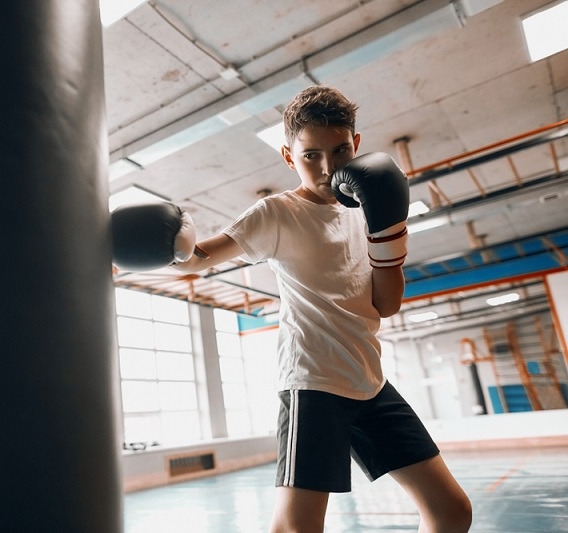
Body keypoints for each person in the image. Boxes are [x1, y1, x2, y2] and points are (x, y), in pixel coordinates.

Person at [111, 85, 472, 533]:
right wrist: (176, 244)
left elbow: (387, 303)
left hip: (370, 382)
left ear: (356, 144)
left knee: (451, 512)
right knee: (296, 529)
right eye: (310, 156)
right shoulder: (277, 213)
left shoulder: (368, 209)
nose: (327, 167)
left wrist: (388, 236)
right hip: (313, 383)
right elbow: (202, 256)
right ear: (288, 156)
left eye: (340, 150)